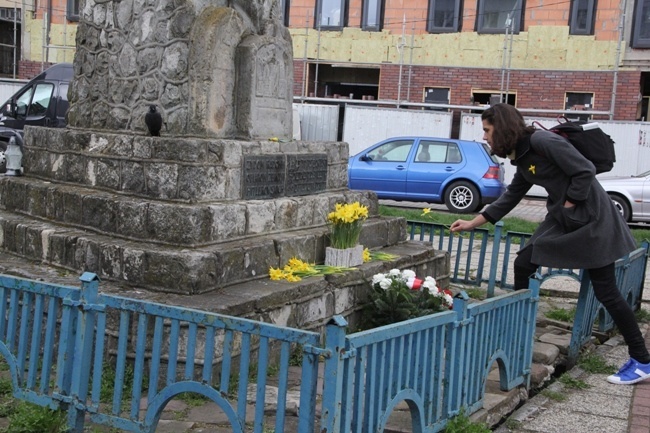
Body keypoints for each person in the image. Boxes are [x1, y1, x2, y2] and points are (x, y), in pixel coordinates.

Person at [450, 103, 650, 385]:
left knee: (607, 291)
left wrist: (569, 203)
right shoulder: (523, 155)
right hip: (566, 217)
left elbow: (585, 169)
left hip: (590, 218)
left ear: (502, 128)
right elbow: (512, 195)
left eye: (487, 130)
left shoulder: (542, 141)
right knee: (524, 262)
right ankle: (518, 333)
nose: (484, 136)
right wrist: (474, 222)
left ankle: (642, 360)